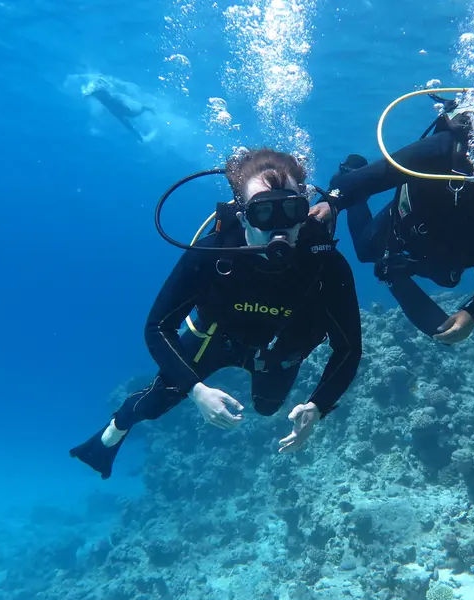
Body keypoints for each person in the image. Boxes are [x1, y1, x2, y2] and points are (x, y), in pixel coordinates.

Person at [70, 148, 363, 479]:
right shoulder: (213, 252)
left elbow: (349, 347)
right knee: (155, 403)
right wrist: (196, 390)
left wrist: (318, 406)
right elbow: (158, 326)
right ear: (242, 215)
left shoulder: (325, 263)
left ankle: (341, 181)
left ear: (306, 209)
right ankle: (110, 436)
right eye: (264, 213)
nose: (280, 227)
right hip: (215, 336)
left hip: (282, 349)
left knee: (268, 408)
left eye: (292, 210)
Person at [312, 88, 474, 345]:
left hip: (453, 256)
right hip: (404, 233)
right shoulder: (443, 149)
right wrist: (334, 200)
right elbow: (380, 174)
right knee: (366, 253)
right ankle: (348, 171)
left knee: (446, 282)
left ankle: (395, 270)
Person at [82, 76, 157, 142]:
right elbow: (88, 93)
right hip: (113, 103)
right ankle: (140, 136)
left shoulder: (96, 89)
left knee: (130, 115)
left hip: (115, 102)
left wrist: (85, 90)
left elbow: (88, 93)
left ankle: (147, 110)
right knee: (127, 119)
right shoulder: (95, 89)